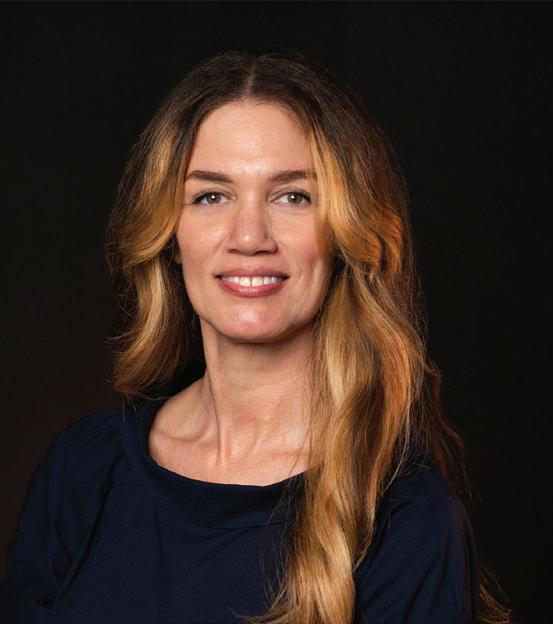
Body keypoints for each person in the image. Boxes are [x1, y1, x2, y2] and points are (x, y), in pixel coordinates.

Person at [0, 48, 511, 624]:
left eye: (293, 196)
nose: (249, 237)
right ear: (170, 234)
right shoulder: (82, 472)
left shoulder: (408, 523)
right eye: (211, 196)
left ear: (345, 233)